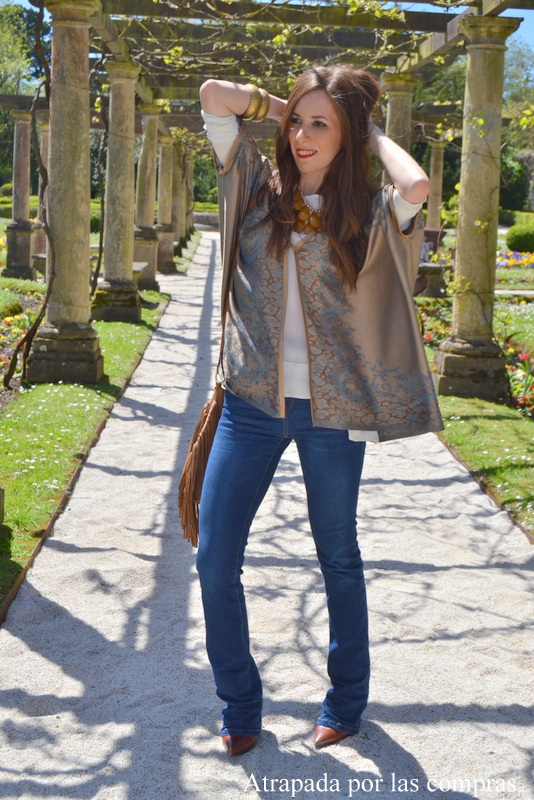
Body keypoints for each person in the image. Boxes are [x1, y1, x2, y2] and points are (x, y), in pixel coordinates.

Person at [196, 65, 443, 757]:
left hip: (334, 411)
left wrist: (367, 132)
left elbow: (417, 186)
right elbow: (214, 94)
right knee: (215, 557)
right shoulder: (253, 184)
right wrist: (289, 105)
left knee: (337, 553)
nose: (302, 136)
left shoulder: (370, 212)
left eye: (320, 125)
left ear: (348, 136)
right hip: (250, 404)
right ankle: (239, 705)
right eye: (296, 123)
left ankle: (345, 701)